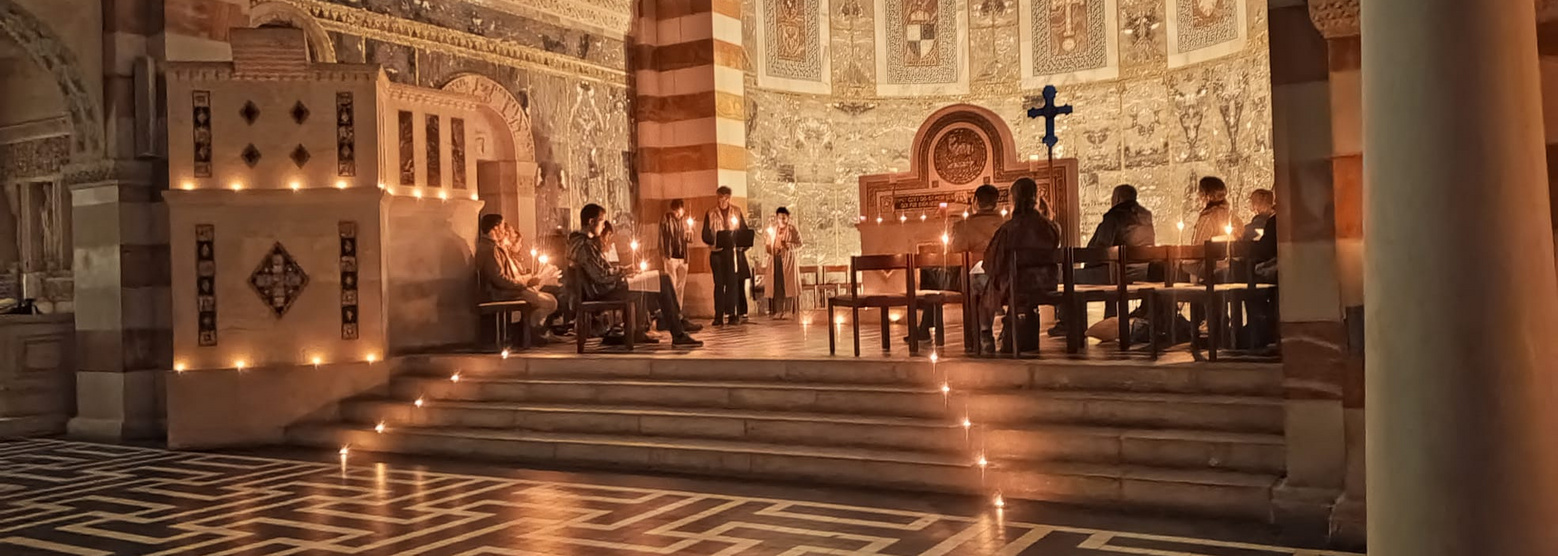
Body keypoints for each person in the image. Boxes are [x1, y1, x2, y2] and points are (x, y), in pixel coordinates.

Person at [568, 204, 702, 347]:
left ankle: (644, 330)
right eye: (601, 221)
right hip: (604, 291)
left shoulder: (582, 243)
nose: (603, 226)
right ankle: (678, 331)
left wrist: (625, 270)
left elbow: (601, 271)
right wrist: (622, 273)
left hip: (605, 287)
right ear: (591, 222)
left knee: (656, 277)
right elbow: (600, 276)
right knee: (662, 280)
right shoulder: (583, 246)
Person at [1051, 184, 1157, 336]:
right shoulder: (1146, 216)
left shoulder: (1114, 216)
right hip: (1143, 272)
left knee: (1066, 276)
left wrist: (1088, 266)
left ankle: (1068, 323)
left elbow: (1100, 249)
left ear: (1118, 198)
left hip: (1115, 274)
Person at [981, 178, 1061, 353]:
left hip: (1018, 286)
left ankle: (985, 333)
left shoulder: (1009, 229)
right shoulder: (1051, 227)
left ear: (1013, 199)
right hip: (1047, 283)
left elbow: (991, 263)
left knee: (987, 286)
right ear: (1036, 197)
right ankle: (1006, 330)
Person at [476, 214, 559, 345]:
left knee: (550, 299)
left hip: (505, 290)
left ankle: (532, 330)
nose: (504, 231)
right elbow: (499, 279)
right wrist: (522, 284)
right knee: (549, 302)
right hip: (500, 293)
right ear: (496, 228)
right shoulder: (490, 249)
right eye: (503, 227)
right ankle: (531, 331)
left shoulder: (492, 247)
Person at [701, 186, 749, 326]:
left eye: (726, 198)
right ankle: (719, 315)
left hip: (732, 253)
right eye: (720, 197)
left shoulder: (736, 211)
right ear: (717, 197)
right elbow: (705, 234)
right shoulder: (710, 212)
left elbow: (744, 231)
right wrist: (714, 239)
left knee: (732, 284)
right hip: (717, 253)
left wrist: (740, 244)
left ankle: (732, 314)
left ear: (729, 198)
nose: (723, 200)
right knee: (719, 284)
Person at [763, 207, 803, 319]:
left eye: (784, 218)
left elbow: (800, 244)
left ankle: (788, 310)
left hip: (788, 260)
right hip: (776, 260)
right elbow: (769, 243)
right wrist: (768, 246)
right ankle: (778, 310)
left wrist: (789, 245)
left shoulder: (792, 229)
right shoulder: (774, 230)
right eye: (780, 218)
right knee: (777, 284)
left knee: (788, 285)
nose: (782, 220)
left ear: (788, 218)